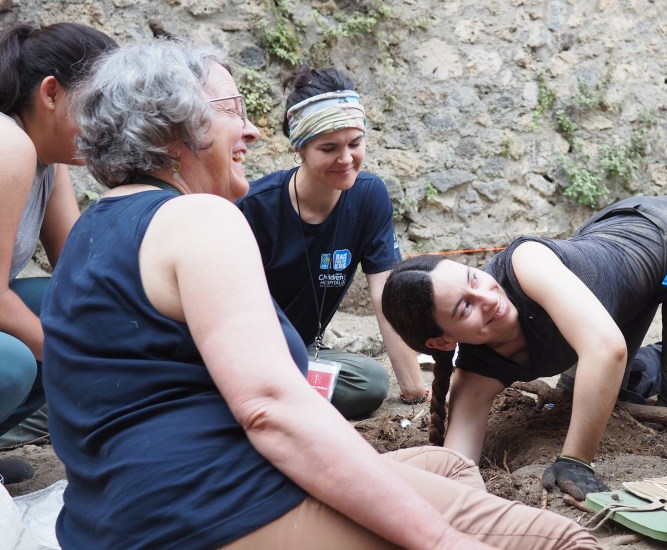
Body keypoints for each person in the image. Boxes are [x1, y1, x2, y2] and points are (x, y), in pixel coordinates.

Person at [40, 38, 597, 549]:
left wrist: (410, 389)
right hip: (213, 510)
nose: (253, 131)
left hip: (111, 520)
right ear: (173, 131)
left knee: (447, 467)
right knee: (559, 541)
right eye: (231, 109)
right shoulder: (202, 218)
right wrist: (440, 541)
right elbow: (270, 409)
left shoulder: (93, 228)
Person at [381, 196, 667, 501]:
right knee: (576, 395)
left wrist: (575, 460)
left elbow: (607, 350)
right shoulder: (476, 373)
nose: (488, 298)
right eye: (465, 308)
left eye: (474, 278)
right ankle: (659, 359)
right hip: (623, 300)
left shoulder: (527, 262)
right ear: (443, 341)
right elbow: (458, 465)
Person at [237, 66, 425, 418]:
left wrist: (414, 390)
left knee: (369, 382)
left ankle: (276, 394)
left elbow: (386, 293)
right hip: (248, 352)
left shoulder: (369, 196)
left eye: (355, 143)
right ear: (301, 148)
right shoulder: (253, 208)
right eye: (328, 148)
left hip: (301, 355)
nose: (345, 159)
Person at [0, 22, 117, 483]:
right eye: (98, 105)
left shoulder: (46, 158)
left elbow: (80, 273)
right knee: (16, 362)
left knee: (82, 312)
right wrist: (77, 360)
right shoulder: (9, 144)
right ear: (51, 93)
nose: (111, 123)